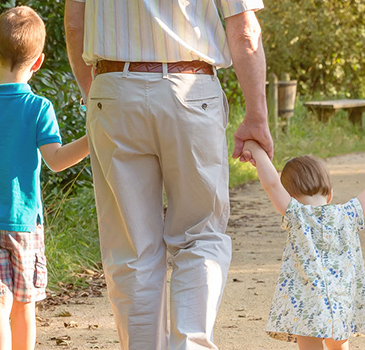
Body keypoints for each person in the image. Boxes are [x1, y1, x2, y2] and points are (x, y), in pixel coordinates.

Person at [63, 0, 271, 348]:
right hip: (190, 89)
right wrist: (256, 116)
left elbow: (74, 23)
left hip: (113, 88)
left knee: (132, 248)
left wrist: (96, 93)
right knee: (200, 236)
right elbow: (245, 32)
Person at [0, 6, 90, 350]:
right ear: (38, 62)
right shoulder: (38, 108)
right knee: (24, 306)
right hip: (23, 224)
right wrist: (91, 140)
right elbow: (55, 161)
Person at [240, 141, 365, 350]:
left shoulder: (295, 213)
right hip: (340, 301)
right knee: (339, 346)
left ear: (289, 195)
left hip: (307, 304)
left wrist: (256, 150)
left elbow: (271, 184)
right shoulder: (348, 213)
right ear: (330, 194)